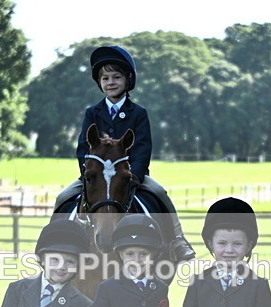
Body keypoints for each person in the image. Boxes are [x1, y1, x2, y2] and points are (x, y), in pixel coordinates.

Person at [55, 45, 195, 263]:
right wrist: (89, 174)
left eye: (116, 77)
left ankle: (177, 240)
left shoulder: (138, 113)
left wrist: (135, 175)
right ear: (100, 83)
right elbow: (84, 147)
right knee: (62, 196)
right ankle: (52, 241)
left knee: (160, 192)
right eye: (106, 78)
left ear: (127, 80)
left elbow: (142, 147)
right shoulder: (92, 113)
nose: (110, 82)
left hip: (128, 174)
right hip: (97, 176)